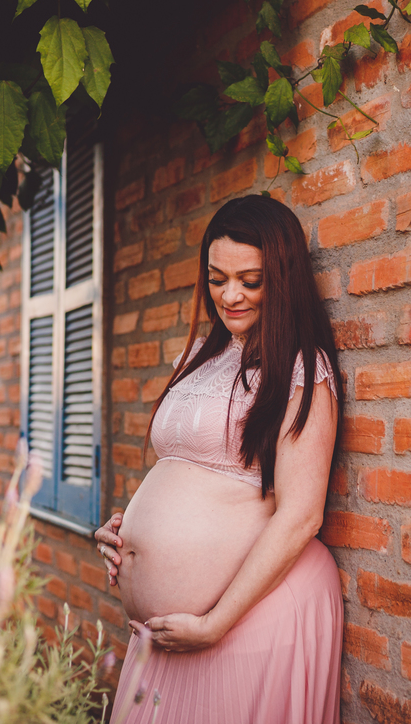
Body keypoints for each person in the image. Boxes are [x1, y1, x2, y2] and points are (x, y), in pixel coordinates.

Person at [94, 194, 344, 724]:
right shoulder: (200, 357)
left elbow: (301, 515)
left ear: (283, 277)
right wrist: (128, 530)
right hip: (167, 633)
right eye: (216, 278)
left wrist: (215, 623)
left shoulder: (302, 368)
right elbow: (182, 471)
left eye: (250, 281)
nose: (230, 295)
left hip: (246, 620)